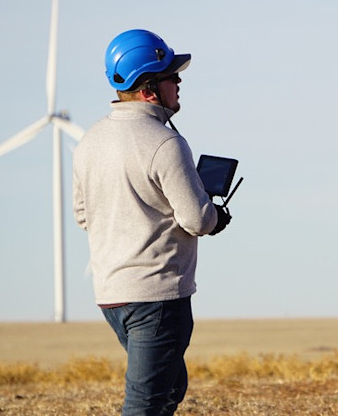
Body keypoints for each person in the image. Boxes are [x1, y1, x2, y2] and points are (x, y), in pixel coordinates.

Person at [72, 29, 231, 415]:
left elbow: (82, 215)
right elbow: (196, 219)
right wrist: (217, 216)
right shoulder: (165, 143)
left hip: (111, 295)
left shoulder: (89, 141)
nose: (179, 83)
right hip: (157, 296)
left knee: (170, 386)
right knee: (145, 404)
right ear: (148, 89)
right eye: (172, 76)